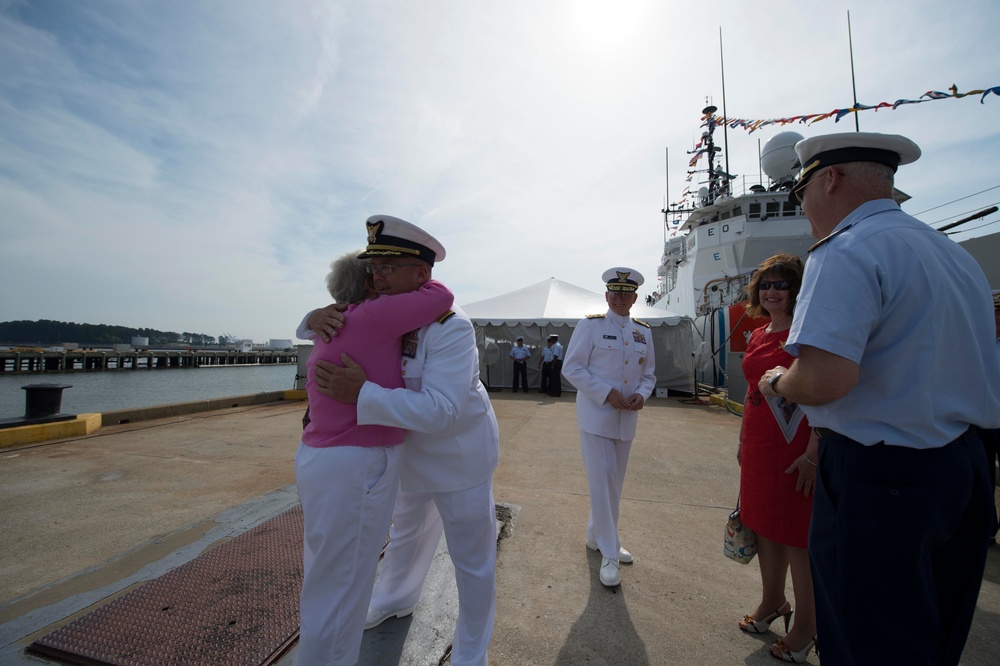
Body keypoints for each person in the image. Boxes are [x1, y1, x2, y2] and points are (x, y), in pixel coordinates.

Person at [759, 132, 1000, 665]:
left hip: (882, 478)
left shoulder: (845, 249)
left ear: (829, 178)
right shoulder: (956, 258)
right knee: (935, 637)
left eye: (800, 193)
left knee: (866, 641)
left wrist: (778, 381)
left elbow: (823, 380)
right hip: (966, 470)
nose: (802, 208)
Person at [302, 215, 500, 666]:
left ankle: (472, 653)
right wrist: (311, 318)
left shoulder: (451, 327)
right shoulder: (385, 310)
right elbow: (342, 319)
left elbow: (443, 409)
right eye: (375, 266)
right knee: (407, 534)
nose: (378, 275)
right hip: (407, 455)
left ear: (422, 275)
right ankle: (395, 597)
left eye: (390, 267)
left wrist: (363, 394)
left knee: (472, 561)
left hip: (457, 456)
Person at [294, 251, 454, 666]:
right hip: (356, 462)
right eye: (375, 272)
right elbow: (441, 295)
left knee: (325, 575)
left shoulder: (329, 327)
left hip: (319, 456)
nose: (381, 278)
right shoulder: (374, 317)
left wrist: (314, 314)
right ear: (367, 287)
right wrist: (419, 274)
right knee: (346, 586)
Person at [735, 253, 818, 663]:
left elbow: (824, 393)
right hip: (760, 444)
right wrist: (741, 440)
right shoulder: (760, 332)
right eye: (765, 285)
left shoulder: (807, 333)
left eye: (781, 284)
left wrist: (814, 454)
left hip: (797, 447)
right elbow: (752, 393)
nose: (772, 291)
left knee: (798, 537)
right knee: (765, 526)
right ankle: (772, 603)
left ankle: (806, 627)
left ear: (797, 289)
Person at [562, 267, 656, 587]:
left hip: (627, 418)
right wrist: (606, 393)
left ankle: (596, 535)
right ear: (606, 296)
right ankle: (609, 551)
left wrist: (642, 395)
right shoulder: (590, 326)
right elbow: (572, 368)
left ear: (635, 298)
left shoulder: (643, 332)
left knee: (613, 483)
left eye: (626, 294)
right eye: (614, 292)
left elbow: (649, 375)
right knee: (601, 480)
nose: (620, 298)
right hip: (596, 416)